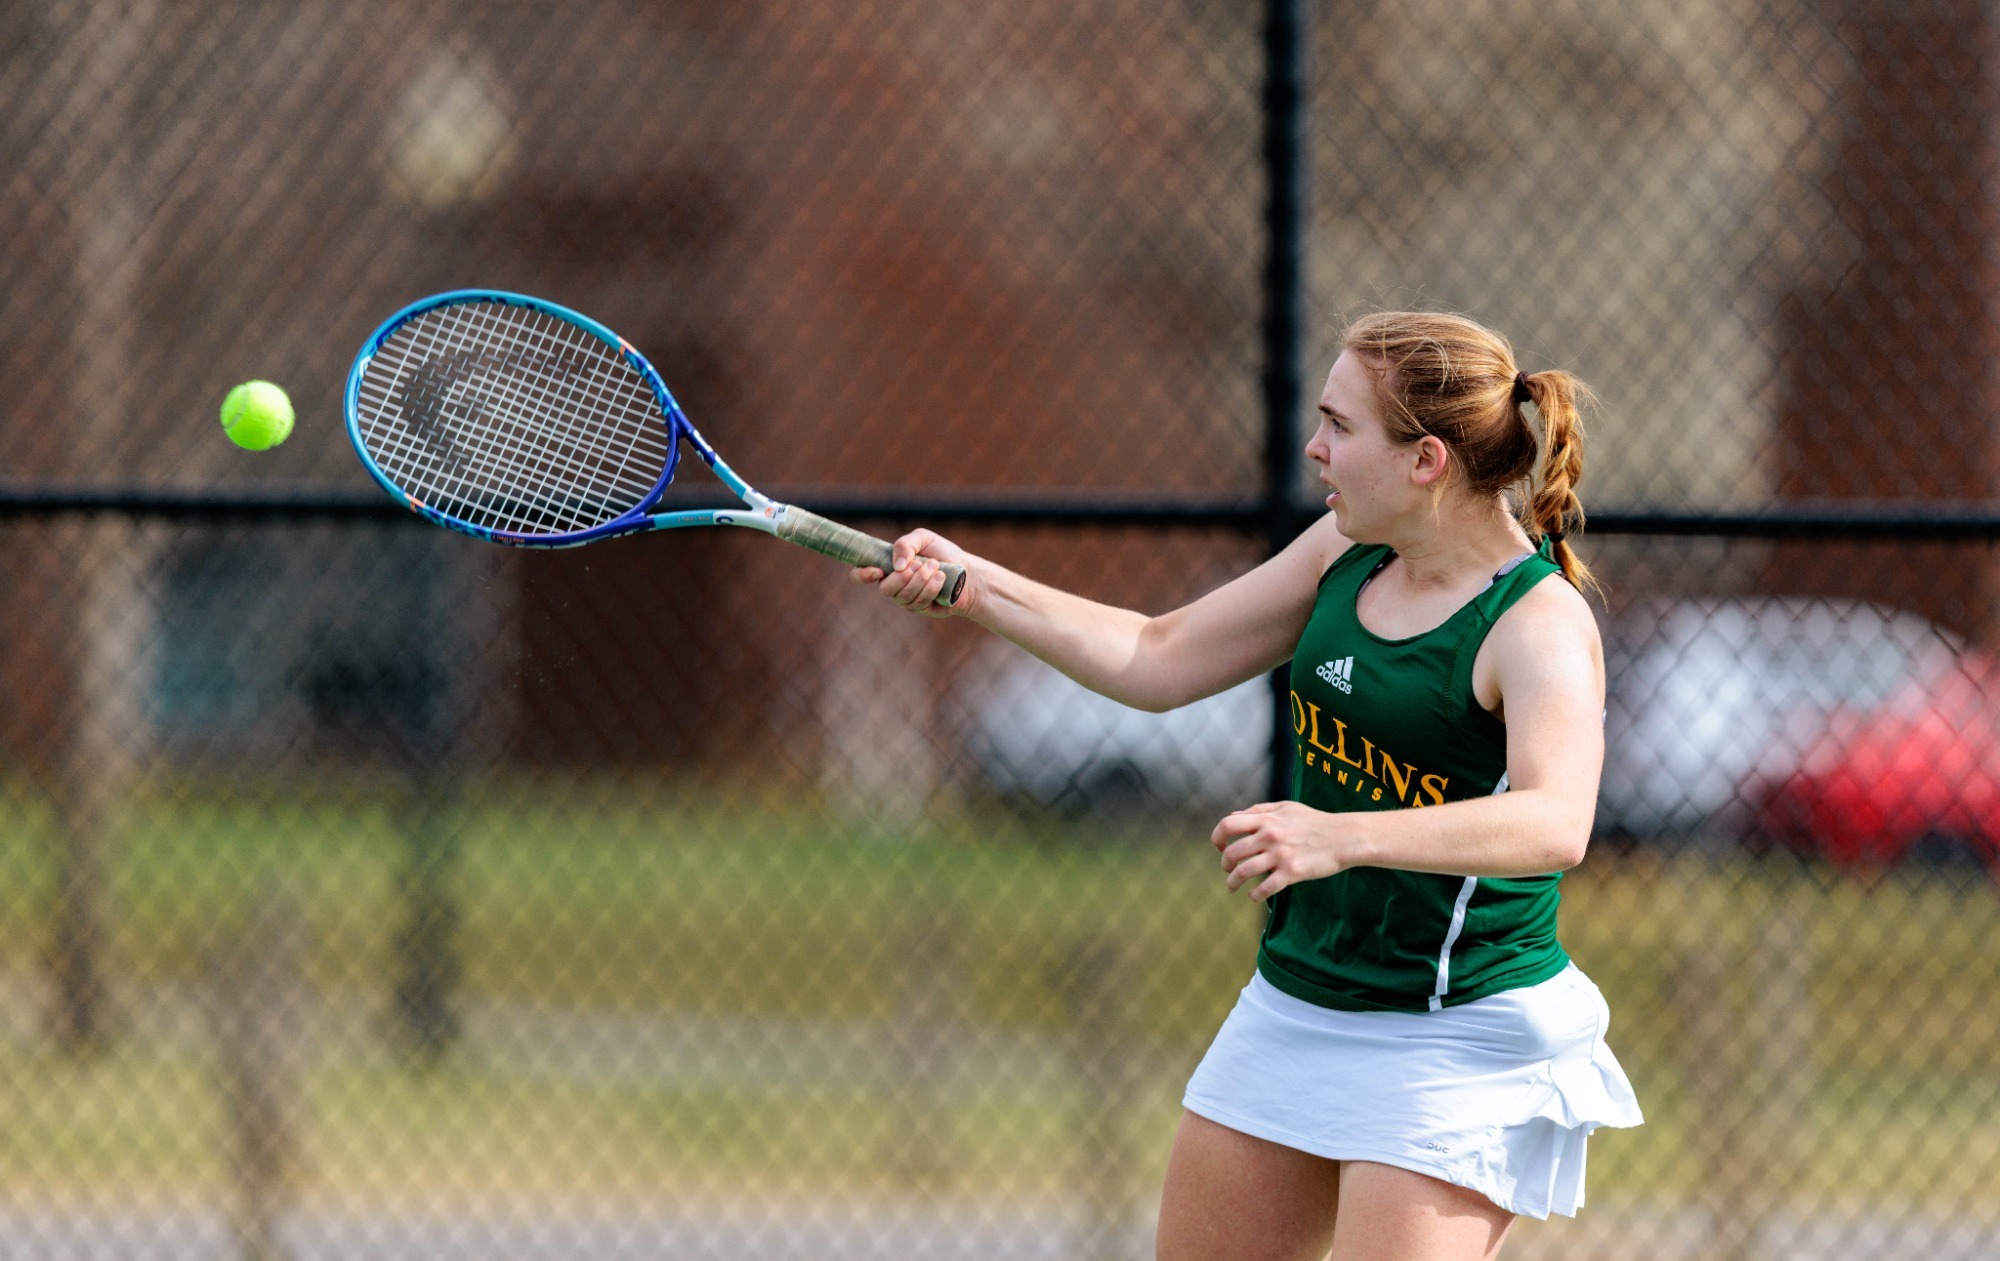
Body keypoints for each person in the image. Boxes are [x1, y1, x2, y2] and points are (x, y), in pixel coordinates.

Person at [854, 310, 1642, 1261]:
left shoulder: (1536, 622)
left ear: (1426, 460)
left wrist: (1341, 835)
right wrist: (974, 583)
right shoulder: (1346, 553)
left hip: (1455, 1035)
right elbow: (1158, 655)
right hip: (1297, 1002)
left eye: (1340, 427)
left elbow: (1556, 822)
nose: (1315, 448)